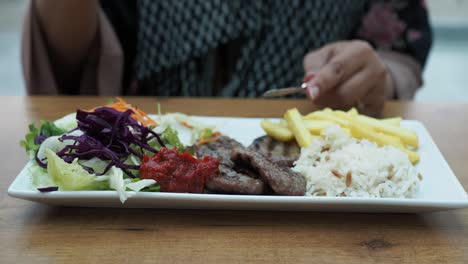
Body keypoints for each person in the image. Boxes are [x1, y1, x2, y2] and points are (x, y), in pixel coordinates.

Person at [22, 0, 432, 116]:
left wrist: (376, 77)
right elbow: (67, 63)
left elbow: (398, 53)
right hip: (142, 159)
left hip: (321, 156)